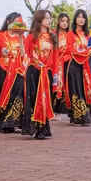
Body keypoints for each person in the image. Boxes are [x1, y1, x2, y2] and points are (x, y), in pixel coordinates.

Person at [22, 10, 60, 139]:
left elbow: (55, 59)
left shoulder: (53, 37)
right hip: (34, 71)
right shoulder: (31, 36)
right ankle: (35, 127)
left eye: (50, 18)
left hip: (47, 73)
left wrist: (56, 76)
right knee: (34, 99)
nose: (49, 20)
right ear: (39, 20)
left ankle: (43, 128)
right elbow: (25, 54)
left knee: (45, 99)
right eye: (47, 18)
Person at [64, 9, 91, 126]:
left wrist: (89, 52)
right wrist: (86, 53)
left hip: (86, 65)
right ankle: (77, 117)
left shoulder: (88, 34)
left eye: (83, 17)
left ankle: (86, 116)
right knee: (76, 89)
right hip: (74, 65)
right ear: (75, 19)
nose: (81, 19)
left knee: (86, 88)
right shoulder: (71, 34)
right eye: (79, 17)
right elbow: (70, 49)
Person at [53, 12, 71, 117]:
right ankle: (54, 112)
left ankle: (62, 111)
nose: (64, 23)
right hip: (56, 64)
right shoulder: (53, 35)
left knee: (65, 86)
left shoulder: (70, 35)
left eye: (66, 21)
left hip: (66, 64)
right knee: (56, 85)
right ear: (58, 22)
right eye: (62, 21)